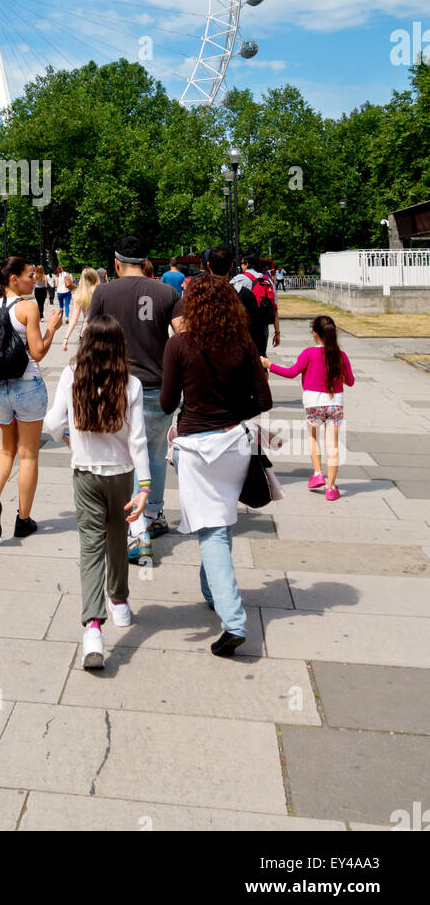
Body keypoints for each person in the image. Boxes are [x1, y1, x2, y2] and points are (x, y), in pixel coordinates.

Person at [160, 271, 272, 656]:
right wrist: (233, 410)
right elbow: (265, 399)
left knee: (211, 530)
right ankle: (213, 590)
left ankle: (234, 621)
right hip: (233, 443)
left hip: (195, 445)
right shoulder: (242, 341)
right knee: (219, 521)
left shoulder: (179, 345)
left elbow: (166, 402)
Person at [45, 315, 150, 671]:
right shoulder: (131, 384)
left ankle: (93, 627)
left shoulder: (72, 376)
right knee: (118, 537)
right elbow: (137, 441)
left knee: (90, 545)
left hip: (85, 472)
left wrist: (71, 441)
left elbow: (52, 423)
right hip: (121, 475)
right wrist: (146, 487)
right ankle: (119, 601)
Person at [87, 236, 183, 562]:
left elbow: (91, 340)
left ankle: (136, 530)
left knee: (125, 458)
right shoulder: (167, 292)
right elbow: (183, 337)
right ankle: (152, 513)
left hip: (115, 385)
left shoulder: (103, 292)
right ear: (145, 262)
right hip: (157, 384)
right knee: (154, 453)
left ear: (116, 263)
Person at [0, 256, 63, 542]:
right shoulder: (28, 307)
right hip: (27, 385)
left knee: (3, 451)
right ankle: (23, 519)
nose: (34, 279)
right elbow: (38, 352)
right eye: (30, 275)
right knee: (28, 455)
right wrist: (52, 327)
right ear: (13, 278)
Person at [262, 315, 354, 501]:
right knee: (333, 445)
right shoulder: (341, 355)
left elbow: (291, 372)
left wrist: (269, 365)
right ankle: (331, 486)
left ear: (315, 334)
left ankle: (318, 473)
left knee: (313, 439)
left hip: (313, 403)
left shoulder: (308, 353)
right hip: (335, 404)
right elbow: (350, 381)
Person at [205, 245, 266, 357]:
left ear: (208, 265)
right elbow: (256, 333)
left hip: (206, 358)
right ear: (231, 266)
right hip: (237, 357)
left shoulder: (197, 295)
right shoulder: (245, 294)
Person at [232, 252, 280, 356]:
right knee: (261, 356)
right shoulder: (268, 280)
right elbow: (275, 307)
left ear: (247, 264)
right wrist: (277, 333)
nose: (241, 266)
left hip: (246, 325)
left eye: (242, 263)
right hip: (263, 325)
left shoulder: (240, 279)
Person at [62, 266, 99, 351]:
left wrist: (66, 338)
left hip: (85, 332)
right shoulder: (101, 292)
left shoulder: (79, 294)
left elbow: (74, 319)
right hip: (102, 331)